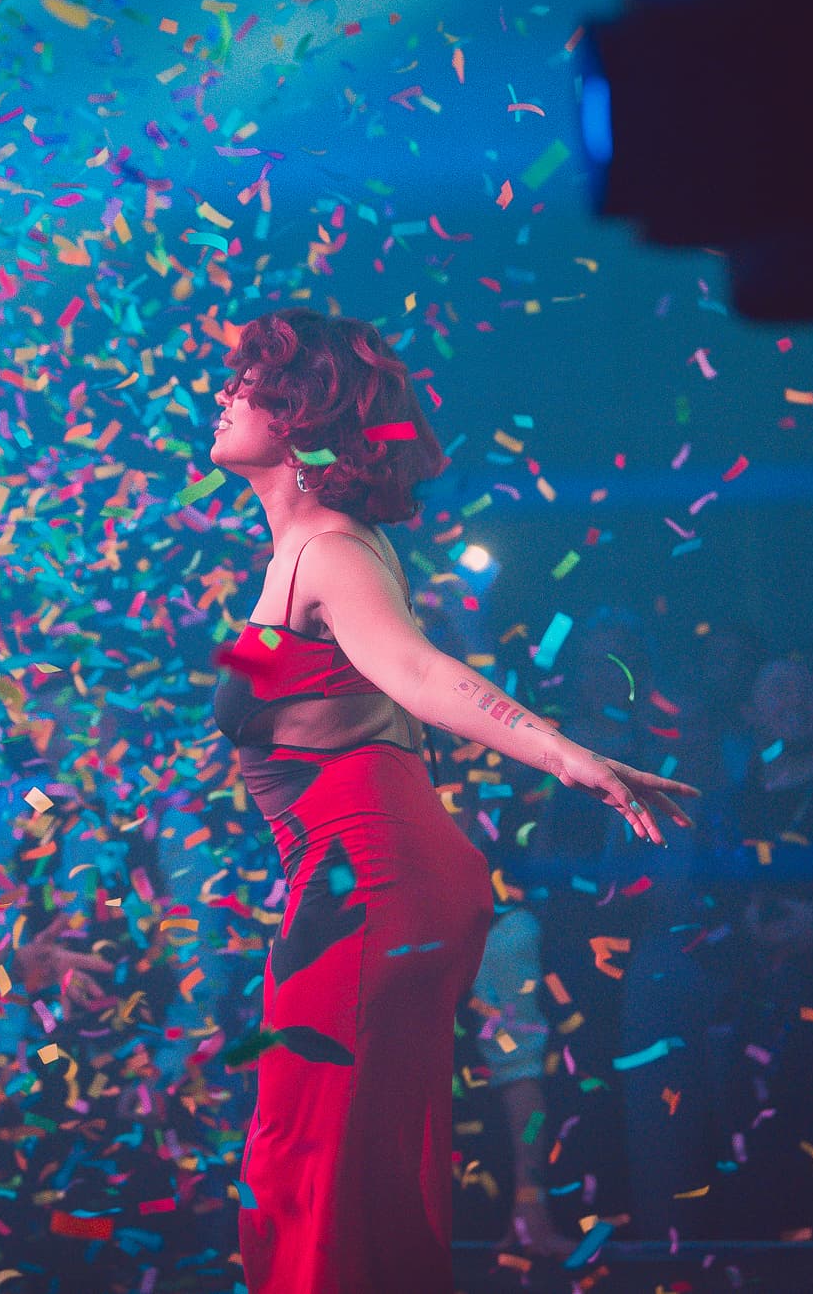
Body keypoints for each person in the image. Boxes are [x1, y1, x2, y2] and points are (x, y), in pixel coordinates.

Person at [205, 308, 699, 1293]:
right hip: (370, 879)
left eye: (249, 379)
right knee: (342, 1163)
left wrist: (565, 754)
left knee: (318, 1166)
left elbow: (416, 674)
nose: (222, 393)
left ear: (301, 415)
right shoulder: (308, 551)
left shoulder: (332, 553)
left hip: (372, 885)